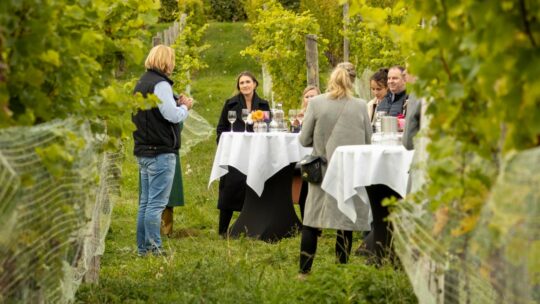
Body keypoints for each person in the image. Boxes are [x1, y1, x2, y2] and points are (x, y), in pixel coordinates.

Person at [298, 62, 372, 275]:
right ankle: (342, 270)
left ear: (331, 80)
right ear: (351, 81)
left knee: (312, 221)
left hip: (321, 170)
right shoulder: (360, 105)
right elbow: (367, 142)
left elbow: (304, 140)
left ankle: (304, 272)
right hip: (348, 172)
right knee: (344, 221)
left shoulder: (316, 103)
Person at [132, 45, 193, 256]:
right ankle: (155, 248)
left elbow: (155, 112)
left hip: (143, 149)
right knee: (156, 204)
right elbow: (172, 116)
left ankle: (143, 249)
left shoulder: (141, 83)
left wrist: (174, 103)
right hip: (160, 151)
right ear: (167, 61)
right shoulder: (161, 84)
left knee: (146, 203)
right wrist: (185, 107)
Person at [215, 71, 270, 236]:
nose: (245, 85)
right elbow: (220, 129)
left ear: (255, 84)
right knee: (230, 188)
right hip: (235, 154)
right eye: (242, 83)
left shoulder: (263, 105)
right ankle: (223, 230)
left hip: (256, 152)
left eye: (248, 82)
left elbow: (268, 126)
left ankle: (252, 227)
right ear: (239, 86)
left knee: (254, 187)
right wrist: (226, 146)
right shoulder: (230, 104)